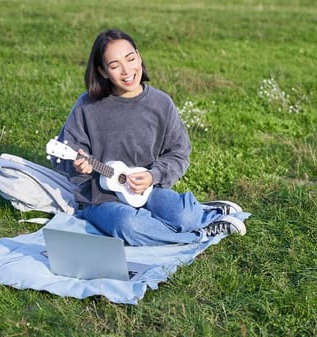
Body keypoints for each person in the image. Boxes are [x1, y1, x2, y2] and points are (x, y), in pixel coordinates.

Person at [52, 29, 246, 246]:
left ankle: (206, 213)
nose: (127, 71)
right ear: (103, 71)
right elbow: (63, 154)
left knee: (185, 216)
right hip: (102, 200)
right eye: (115, 66)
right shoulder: (88, 106)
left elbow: (179, 152)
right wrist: (78, 166)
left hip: (149, 190)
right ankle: (199, 235)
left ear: (139, 56)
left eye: (130, 59)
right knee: (128, 225)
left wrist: (154, 175)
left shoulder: (160, 103)